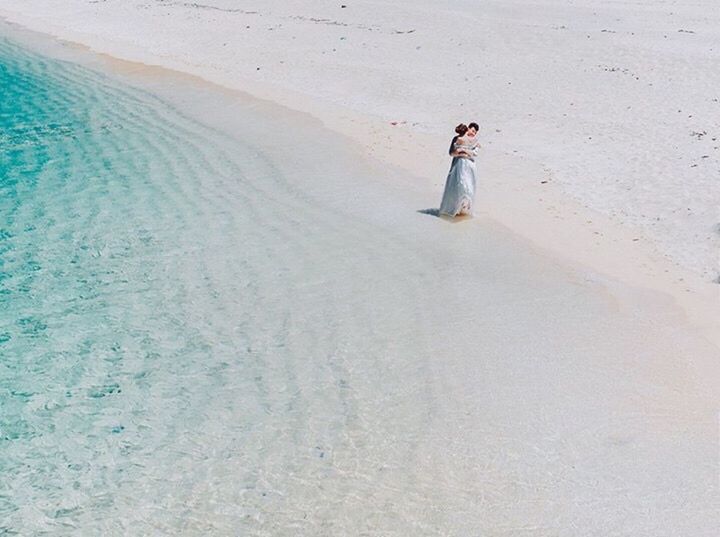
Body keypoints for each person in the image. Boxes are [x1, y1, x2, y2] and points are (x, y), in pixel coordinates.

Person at [439, 122, 480, 217]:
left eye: (475, 132)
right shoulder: (457, 139)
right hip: (458, 164)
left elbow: (474, 153)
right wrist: (460, 153)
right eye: (472, 130)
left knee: (468, 186)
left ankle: (464, 208)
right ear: (468, 129)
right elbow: (451, 153)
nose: (473, 133)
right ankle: (455, 207)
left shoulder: (475, 141)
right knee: (457, 185)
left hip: (469, 165)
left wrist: (464, 152)